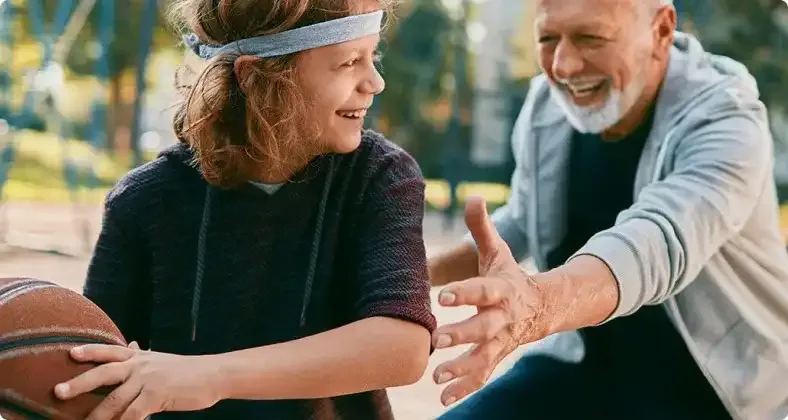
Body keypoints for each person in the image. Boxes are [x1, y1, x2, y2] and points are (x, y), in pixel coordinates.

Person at [51, 1, 436, 419]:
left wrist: (209, 376)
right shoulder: (144, 201)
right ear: (256, 77)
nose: (375, 82)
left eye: (372, 56)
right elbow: (92, 372)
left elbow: (403, 346)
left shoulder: (379, 178)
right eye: (349, 62)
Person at [428, 0, 788, 419]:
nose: (563, 66)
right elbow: (524, 220)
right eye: (548, 38)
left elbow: (656, 242)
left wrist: (536, 306)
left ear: (661, 29)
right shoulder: (547, 105)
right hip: (586, 365)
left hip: (713, 391)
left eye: (590, 38)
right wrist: (409, 273)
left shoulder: (727, 122)